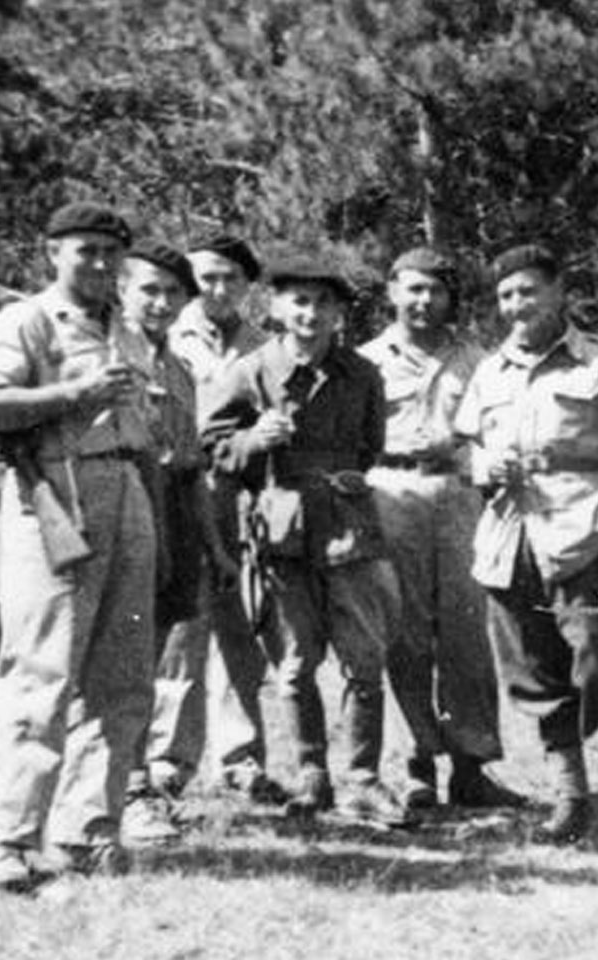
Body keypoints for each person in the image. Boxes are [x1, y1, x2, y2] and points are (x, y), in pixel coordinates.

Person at [0, 201, 157, 891]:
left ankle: (87, 830)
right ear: (53, 253)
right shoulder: (29, 322)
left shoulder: (127, 329)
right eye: (85, 251)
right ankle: (7, 845)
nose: (100, 264)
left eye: (110, 252)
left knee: (124, 678)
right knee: (41, 675)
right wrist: (73, 391)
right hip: (56, 496)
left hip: (128, 492)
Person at [452, 244, 598, 852]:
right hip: (508, 544)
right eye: (505, 296)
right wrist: (484, 465)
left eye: (528, 292)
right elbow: (467, 450)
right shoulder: (490, 371)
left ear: (558, 293)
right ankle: (570, 801)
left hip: (583, 544)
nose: (516, 306)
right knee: (533, 674)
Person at [199, 255, 412, 827]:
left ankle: (363, 779)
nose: (310, 312)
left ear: (340, 313)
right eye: (298, 300)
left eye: (322, 302)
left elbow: (369, 447)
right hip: (281, 531)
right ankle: (312, 775)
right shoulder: (250, 372)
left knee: (364, 658)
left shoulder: (362, 375)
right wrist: (253, 440)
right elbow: (213, 450)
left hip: (347, 528)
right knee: (294, 662)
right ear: (274, 307)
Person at [360, 247, 528, 813]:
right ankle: (415, 764)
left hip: (459, 497)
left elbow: (499, 434)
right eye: (413, 289)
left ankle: (472, 765)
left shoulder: (478, 360)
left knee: (466, 632)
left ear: (451, 296)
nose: (424, 300)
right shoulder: (365, 361)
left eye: (435, 290)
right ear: (391, 290)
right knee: (403, 630)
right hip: (390, 492)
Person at [114, 239, 239, 844]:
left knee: (156, 653)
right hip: (119, 509)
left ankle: (137, 785)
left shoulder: (179, 371)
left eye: (172, 293)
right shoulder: (108, 355)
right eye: (149, 290)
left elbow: (190, 468)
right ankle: (123, 787)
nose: (161, 303)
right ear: (123, 289)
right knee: (120, 657)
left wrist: (213, 547)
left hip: (175, 518)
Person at [167, 235, 282, 807]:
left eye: (231, 279)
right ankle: (168, 760)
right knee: (182, 632)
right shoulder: (164, 333)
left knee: (243, 629)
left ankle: (240, 759)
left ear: (248, 286)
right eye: (207, 278)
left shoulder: (266, 346)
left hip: (243, 498)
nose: (218, 289)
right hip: (181, 492)